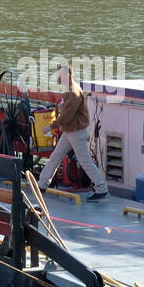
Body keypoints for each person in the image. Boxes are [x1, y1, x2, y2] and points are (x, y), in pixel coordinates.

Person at [38, 65, 109, 200]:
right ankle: (42, 184)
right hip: (70, 131)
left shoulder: (73, 92)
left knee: (85, 161)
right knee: (56, 156)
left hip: (75, 132)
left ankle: (101, 188)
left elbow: (67, 115)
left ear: (67, 75)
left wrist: (51, 126)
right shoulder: (72, 90)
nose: (57, 77)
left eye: (59, 74)